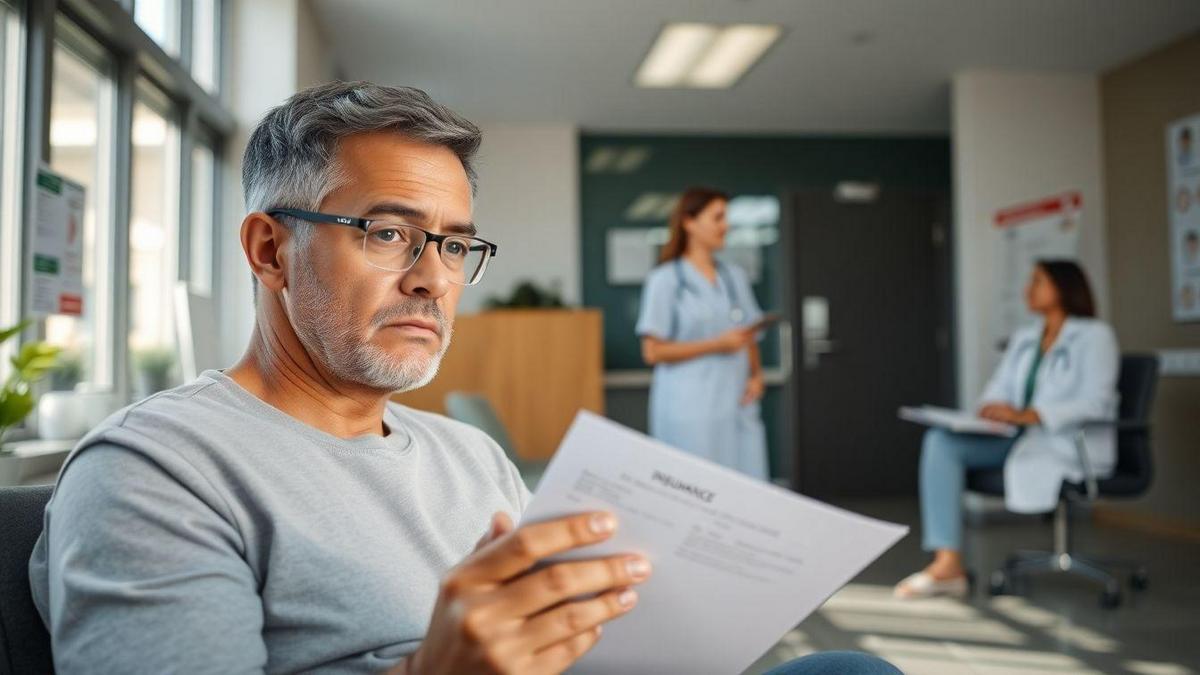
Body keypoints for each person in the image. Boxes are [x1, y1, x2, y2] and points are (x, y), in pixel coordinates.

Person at [28, 82, 896, 674]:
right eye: (386, 232)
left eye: (453, 244)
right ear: (269, 249)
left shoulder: (471, 456)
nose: (432, 278)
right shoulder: (155, 471)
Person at [895, 260, 1119, 599]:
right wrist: (992, 408)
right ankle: (948, 565)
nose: (1028, 289)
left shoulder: (1095, 336)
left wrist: (1031, 414)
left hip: (1065, 442)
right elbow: (998, 387)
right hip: (1016, 439)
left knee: (947, 443)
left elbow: (1097, 402)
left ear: (1064, 287)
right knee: (942, 441)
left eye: (1038, 281)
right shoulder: (1027, 337)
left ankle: (948, 568)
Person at [635, 188, 770, 480]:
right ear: (689, 222)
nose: (726, 226)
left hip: (736, 402)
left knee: (745, 490)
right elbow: (653, 351)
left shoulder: (733, 277)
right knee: (695, 490)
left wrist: (756, 375)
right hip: (689, 408)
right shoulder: (666, 280)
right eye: (718, 217)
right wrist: (717, 344)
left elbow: (748, 333)